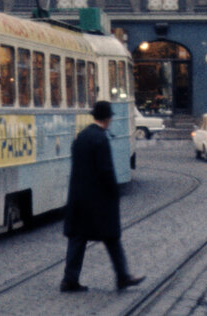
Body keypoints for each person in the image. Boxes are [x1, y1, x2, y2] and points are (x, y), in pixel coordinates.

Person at [60, 100, 144, 293]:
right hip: (98, 201)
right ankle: (123, 276)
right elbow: (106, 170)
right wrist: (114, 193)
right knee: (111, 238)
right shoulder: (100, 139)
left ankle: (70, 279)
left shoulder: (81, 136)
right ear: (107, 118)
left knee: (77, 238)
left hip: (78, 198)